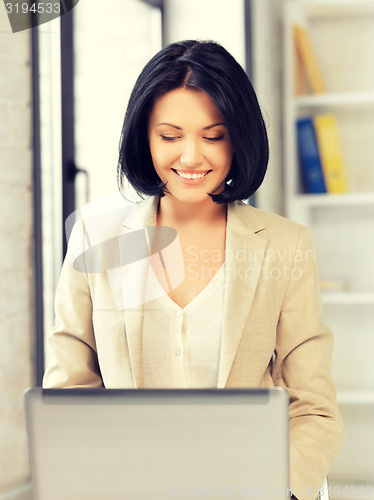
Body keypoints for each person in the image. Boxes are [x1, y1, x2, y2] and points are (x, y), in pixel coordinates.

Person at [43, 40, 343, 499]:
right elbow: (68, 392)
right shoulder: (94, 238)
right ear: (144, 136)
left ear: (238, 137)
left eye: (213, 136)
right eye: (169, 136)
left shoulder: (286, 245)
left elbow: (313, 410)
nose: (190, 158)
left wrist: (272, 489)